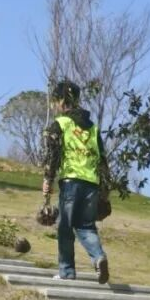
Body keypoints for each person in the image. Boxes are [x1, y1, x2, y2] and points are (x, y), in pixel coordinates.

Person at [41, 78, 110, 284]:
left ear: (61, 101)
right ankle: (98, 257)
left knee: (65, 226)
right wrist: (105, 190)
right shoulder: (93, 128)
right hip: (91, 182)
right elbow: (103, 160)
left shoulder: (60, 124)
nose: (54, 106)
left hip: (71, 181)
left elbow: (53, 154)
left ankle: (67, 271)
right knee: (86, 226)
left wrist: (48, 179)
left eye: (55, 101)